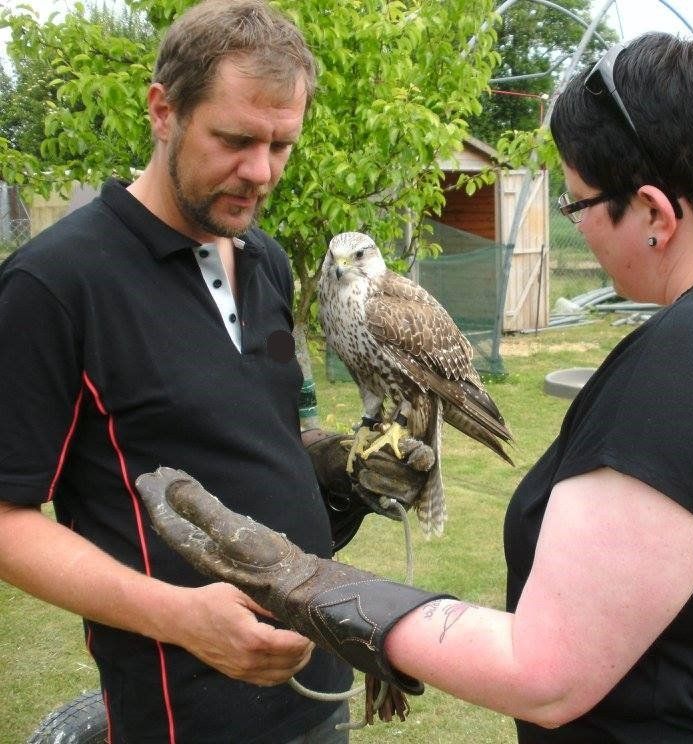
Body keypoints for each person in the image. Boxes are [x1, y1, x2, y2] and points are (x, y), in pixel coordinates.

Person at [134, 32, 693, 742]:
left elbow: (545, 672)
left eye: (576, 204)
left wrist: (312, 585)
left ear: (652, 213)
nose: (579, 229)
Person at [0, 2, 429, 741]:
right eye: (234, 139)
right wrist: (180, 618)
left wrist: (339, 466)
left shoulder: (261, 259)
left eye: (280, 145)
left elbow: (260, 429)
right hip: (185, 707)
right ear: (163, 111)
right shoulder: (54, 285)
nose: (260, 172)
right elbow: (7, 521)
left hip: (316, 676)